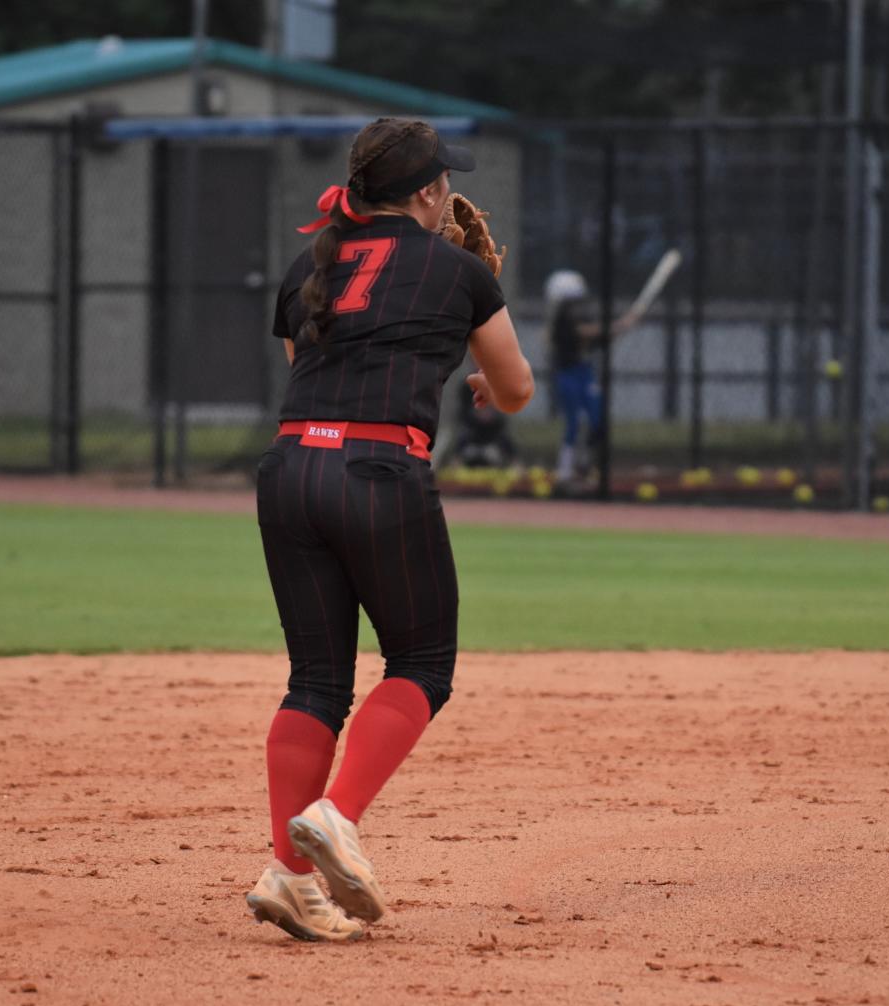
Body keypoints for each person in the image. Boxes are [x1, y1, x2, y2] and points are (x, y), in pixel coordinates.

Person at [244, 117, 533, 943]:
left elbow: (313, 377)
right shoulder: (458, 269)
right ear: (430, 192)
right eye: (446, 181)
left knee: (315, 681)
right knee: (420, 663)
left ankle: (290, 879)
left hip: (291, 470)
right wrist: (478, 373)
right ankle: (336, 816)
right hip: (377, 473)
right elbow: (516, 388)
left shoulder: (312, 264)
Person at [544, 270, 639, 485]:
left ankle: (586, 466)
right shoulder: (561, 323)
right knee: (575, 422)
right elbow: (585, 332)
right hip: (568, 375)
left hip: (585, 373)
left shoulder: (580, 316)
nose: (576, 307)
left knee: (596, 419)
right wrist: (620, 325)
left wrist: (618, 330)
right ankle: (565, 471)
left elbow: (598, 338)